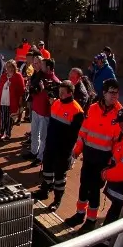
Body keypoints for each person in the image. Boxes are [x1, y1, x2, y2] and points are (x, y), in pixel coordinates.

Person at [70, 79, 123, 230]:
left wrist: (112, 161)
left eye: (117, 93)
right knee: (83, 185)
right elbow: (84, 131)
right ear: (104, 93)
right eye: (112, 92)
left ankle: (91, 220)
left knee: (94, 190)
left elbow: (119, 142)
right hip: (88, 156)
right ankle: (79, 214)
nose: (115, 96)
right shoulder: (93, 108)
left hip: (103, 160)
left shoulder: (119, 114)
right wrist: (78, 149)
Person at [34, 81, 84, 209]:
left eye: (63, 93)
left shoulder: (77, 111)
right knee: (47, 170)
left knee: (59, 176)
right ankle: (45, 190)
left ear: (70, 93)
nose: (60, 95)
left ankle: (57, 200)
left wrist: (66, 150)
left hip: (63, 149)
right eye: (60, 92)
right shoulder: (56, 103)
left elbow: (74, 135)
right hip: (50, 144)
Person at [0, 59, 25, 140]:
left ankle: (7, 134)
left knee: (9, 118)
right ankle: (1, 132)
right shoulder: (3, 76)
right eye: (8, 67)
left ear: (14, 67)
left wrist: (20, 100)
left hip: (12, 101)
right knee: (2, 118)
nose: (9, 69)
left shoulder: (18, 76)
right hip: (3, 100)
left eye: (11, 67)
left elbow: (21, 89)